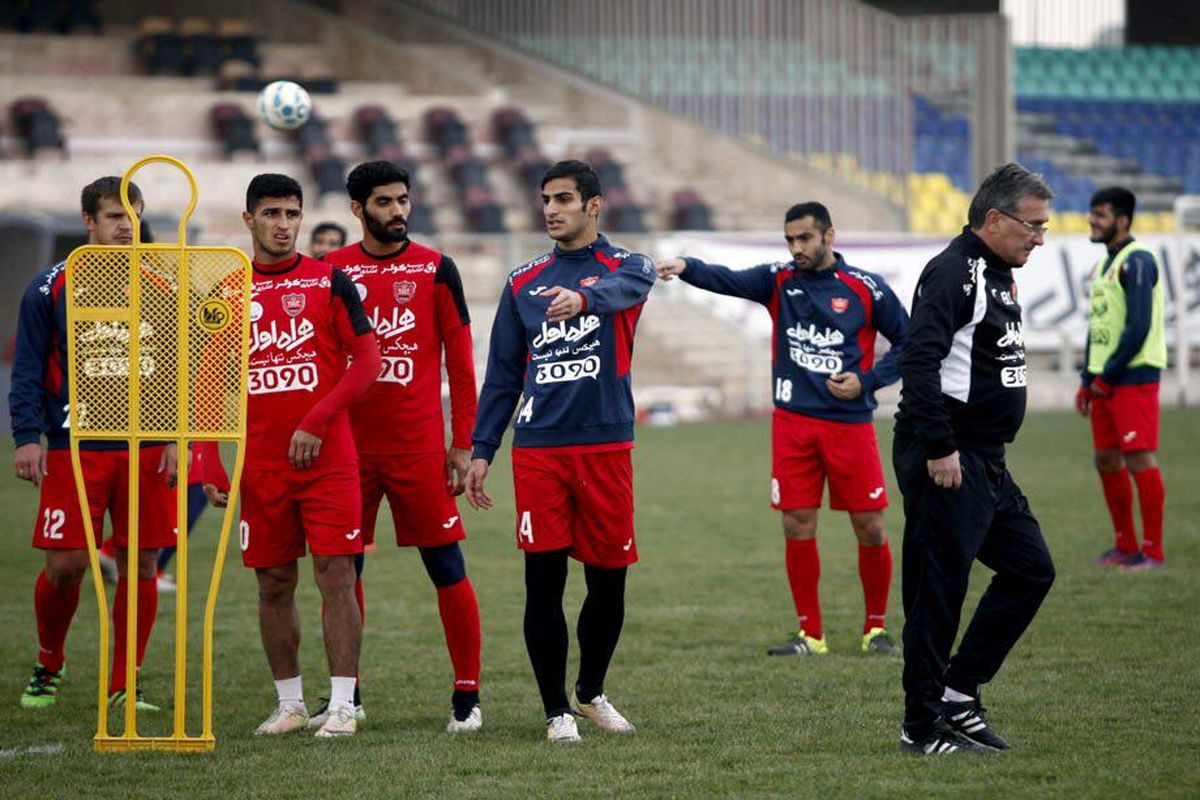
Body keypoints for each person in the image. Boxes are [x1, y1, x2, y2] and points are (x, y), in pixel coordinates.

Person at [656, 202, 909, 656]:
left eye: (805, 239)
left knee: (870, 525)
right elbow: (726, 278)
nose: (796, 249)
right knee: (796, 523)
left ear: (829, 236)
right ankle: (810, 634)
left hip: (849, 426)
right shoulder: (778, 279)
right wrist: (687, 266)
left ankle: (876, 629)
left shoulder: (866, 288)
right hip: (793, 424)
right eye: (790, 240)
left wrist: (868, 381)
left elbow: (911, 342)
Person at [464, 160, 654, 743]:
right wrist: (482, 448)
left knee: (609, 581)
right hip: (540, 449)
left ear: (594, 205)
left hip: (606, 444)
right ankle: (556, 711)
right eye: (546, 198)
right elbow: (501, 374)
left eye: (565, 199)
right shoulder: (523, 280)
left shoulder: (628, 266)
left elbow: (627, 289)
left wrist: (585, 299)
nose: (551, 209)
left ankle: (590, 690)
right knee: (542, 581)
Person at [199, 173, 381, 738]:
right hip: (262, 466)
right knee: (273, 582)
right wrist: (208, 461)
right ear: (249, 220)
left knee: (336, 574)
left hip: (328, 460)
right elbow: (206, 381)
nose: (284, 224)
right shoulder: (227, 294)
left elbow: (368, 363)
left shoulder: (331, 282)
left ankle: (344, 704)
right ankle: (291, 704)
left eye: (292, 213)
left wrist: (315, 421)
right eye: (272, 213)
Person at [893, 162, 1057, 755]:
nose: (1039, 238)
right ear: (995, 219)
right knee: (938, 591)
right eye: (1033, 226)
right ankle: (921, 724)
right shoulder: (952, 273)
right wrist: (940, 447)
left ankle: (959, 694)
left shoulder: (999, 270)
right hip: (947, 453)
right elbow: (919, 363)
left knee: (1031, 569)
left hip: (986, 457)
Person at [322, 161, 483, 732]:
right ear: (357, 210)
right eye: (384, 202)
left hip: (417, 448)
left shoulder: (437, 268)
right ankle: (349, 694)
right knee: (342, 571)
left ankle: (467, 693)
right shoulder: (331, 270)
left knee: (445, 564)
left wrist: (462, 441)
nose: (397, 212)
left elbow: (461, 365)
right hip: (347, 451)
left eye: (403, 201)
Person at [10, 177, 176, 711]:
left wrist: (176, 436)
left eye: (133, 215)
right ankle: (49, 660)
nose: (126, 226)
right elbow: (28, 368)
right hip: (73, 442)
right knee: (67, 564)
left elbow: (180, 366)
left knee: (143, 563)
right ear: (89, 222)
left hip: (147, 443)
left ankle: (125, 682)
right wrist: (25, 437)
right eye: (113, 217)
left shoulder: (163, 284)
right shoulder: (48, 287)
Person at [1076, 187, 1167, 571]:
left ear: (1123, 220)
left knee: (1138, 458)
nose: (1092, 220)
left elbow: (1138, 327)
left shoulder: (1139, 260)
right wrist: (1087, 378)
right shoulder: (1102, 266)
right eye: (1092, 213)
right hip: (1105, 380)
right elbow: (1100, 327)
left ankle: (1153, 551)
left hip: (1133, 376)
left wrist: (1107, 377)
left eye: (1100, 214)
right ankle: (1124, 545)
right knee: (1106, 460)